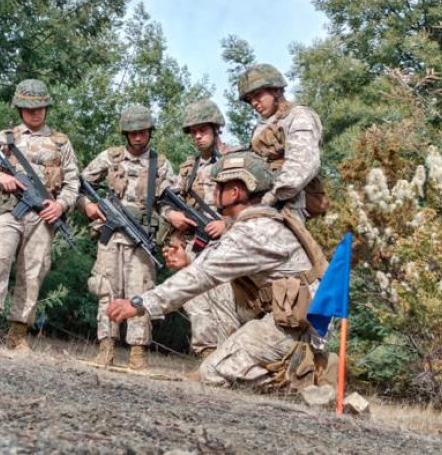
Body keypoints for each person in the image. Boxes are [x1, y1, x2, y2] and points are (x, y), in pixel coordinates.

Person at [107, 152, 330, 388]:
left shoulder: (253, 232)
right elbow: (213, 266)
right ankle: (268, 360)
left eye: (219, 188)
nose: (214, 194)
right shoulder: (258, 223)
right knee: (216, 290)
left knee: (214, 372)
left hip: (299, 329)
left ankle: (303, 378)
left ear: (235, 193)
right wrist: (189, 260)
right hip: (292, 318)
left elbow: (203, 275)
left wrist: (139, 304)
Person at [0, 79, 80, 352]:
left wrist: (61, 206)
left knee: (33, 272)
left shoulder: (61, 144)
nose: (35, 113)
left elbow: (73, 183)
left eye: (40, 107)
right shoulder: (5, 139)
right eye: (29, 108)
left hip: (42, 216)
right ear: (19, 108)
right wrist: (0, 176)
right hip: (8, 210)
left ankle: (18, 333)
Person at [78, 105, 176, 371]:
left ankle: (137, 353)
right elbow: (78, 182)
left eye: (142, 132)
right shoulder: (111, 158)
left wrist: (166, 225)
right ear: (125, 133)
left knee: (140, 292)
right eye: (132, 132)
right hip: (110, 237)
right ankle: (106, 348)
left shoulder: (161, 164)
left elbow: (173, 201)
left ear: (149, 132)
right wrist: (88, 206)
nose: (137, 137)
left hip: (141, 239)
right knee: (106, 290)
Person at [169, 98, 241, 362]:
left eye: (203, 130)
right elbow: (170, 200)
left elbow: (257, 204)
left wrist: (227, 224)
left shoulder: (237, 158)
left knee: (223, 303)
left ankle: (229, 361)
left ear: (215, 129)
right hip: (195, 244)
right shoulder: (189, 168)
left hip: (228, 243)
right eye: (194, 132)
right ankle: (206, 358)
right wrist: (172, 214)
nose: (198, 136)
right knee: (195, 301)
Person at [237, 64, 326, 220]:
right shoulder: (260, 128)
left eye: (257, 95)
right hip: (263, 206)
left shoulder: (298, 116)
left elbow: (302, 165)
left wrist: (270, 198)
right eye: (250, 100)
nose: (254, 103)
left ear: (276, 90)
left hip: (290, 205)